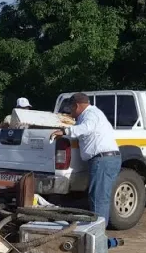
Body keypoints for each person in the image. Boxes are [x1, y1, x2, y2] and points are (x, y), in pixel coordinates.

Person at [50, 93, 121, 226]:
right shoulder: (93, 114)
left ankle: (97, 232)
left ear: (76, 105)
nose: (70, 113)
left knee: (98, 198)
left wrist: (65, 131)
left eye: (71, 109)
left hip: (103, 160)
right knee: (99, 196)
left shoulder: (90, 114)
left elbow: (86, 128)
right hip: (105, 159)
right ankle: (98, 229)